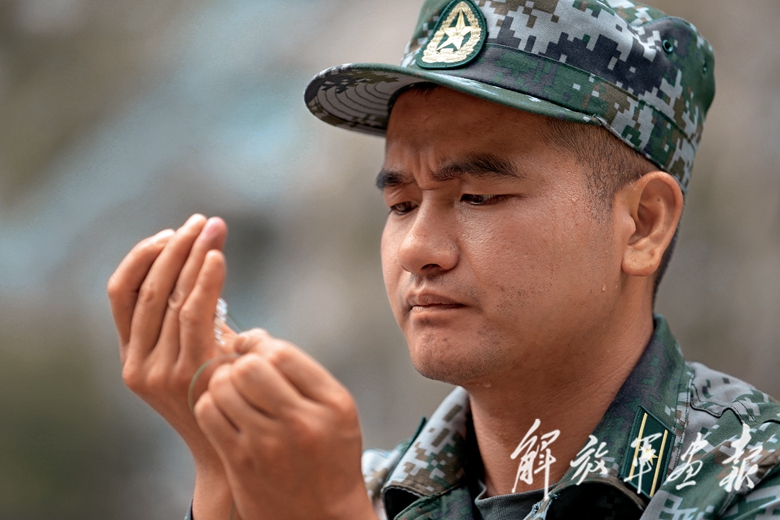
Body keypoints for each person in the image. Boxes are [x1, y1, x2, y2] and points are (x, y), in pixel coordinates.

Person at [107, 0, 780, 518]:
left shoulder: (749, 481)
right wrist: (221, 474)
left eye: (479, 196)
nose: (418, 250)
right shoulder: (364, 488)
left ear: (642, 223)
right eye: (401, 204)